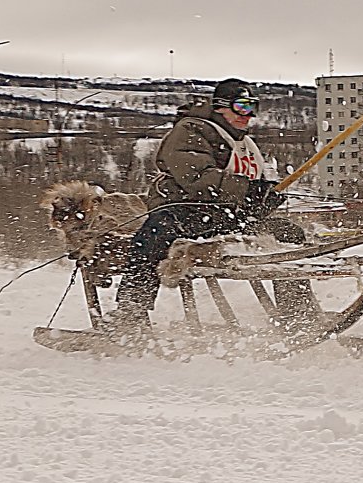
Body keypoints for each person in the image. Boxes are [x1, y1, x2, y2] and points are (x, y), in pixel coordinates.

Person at [111, 78, 315, 334]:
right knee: (154, 233)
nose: (248, 115)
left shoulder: (243, 143)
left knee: (289, 233)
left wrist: (263, 199)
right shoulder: (191, 131)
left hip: (227, 216)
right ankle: (130, 312)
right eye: (241, 107)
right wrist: (248, 191)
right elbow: (199, 179)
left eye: (252, 107)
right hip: (187, 211)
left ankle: (298, 315)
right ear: (220, 106)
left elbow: (247, 185)